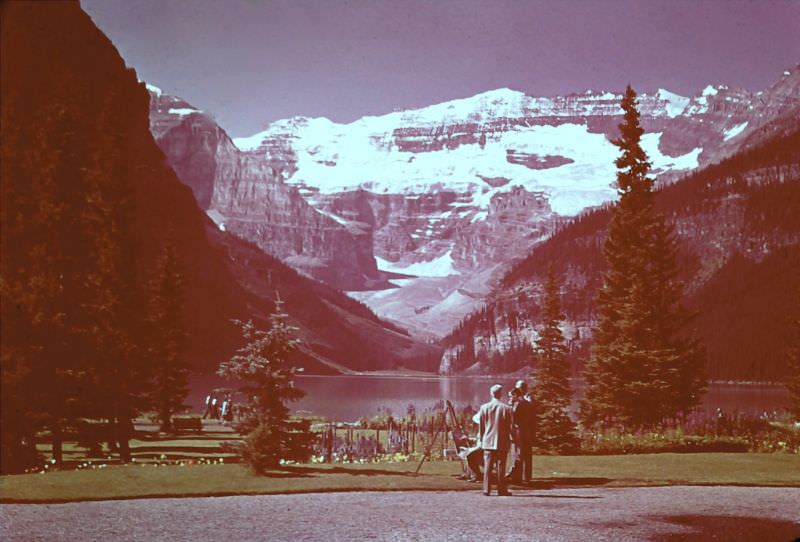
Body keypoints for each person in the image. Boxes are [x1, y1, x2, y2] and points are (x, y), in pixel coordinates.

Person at [477, 383, 513, 496]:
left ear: (491, 393)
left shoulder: (484, 407)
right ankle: (501, 489)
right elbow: (510, 427)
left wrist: (481, 439)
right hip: (502, 440)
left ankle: (486, 489)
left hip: (488, 440)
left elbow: (481, 426)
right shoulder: (507, 408)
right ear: (501, 394)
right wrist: (513, 439)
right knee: (501, 467)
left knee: (487, 467)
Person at [511, 379, 535, 483]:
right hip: (528, 430)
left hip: (519, 431)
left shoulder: (519, 402)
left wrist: (512, 402)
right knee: (527, 454)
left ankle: (517, 476)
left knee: (518, 453)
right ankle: (526, 476)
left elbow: (513, 415)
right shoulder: (529, 401)